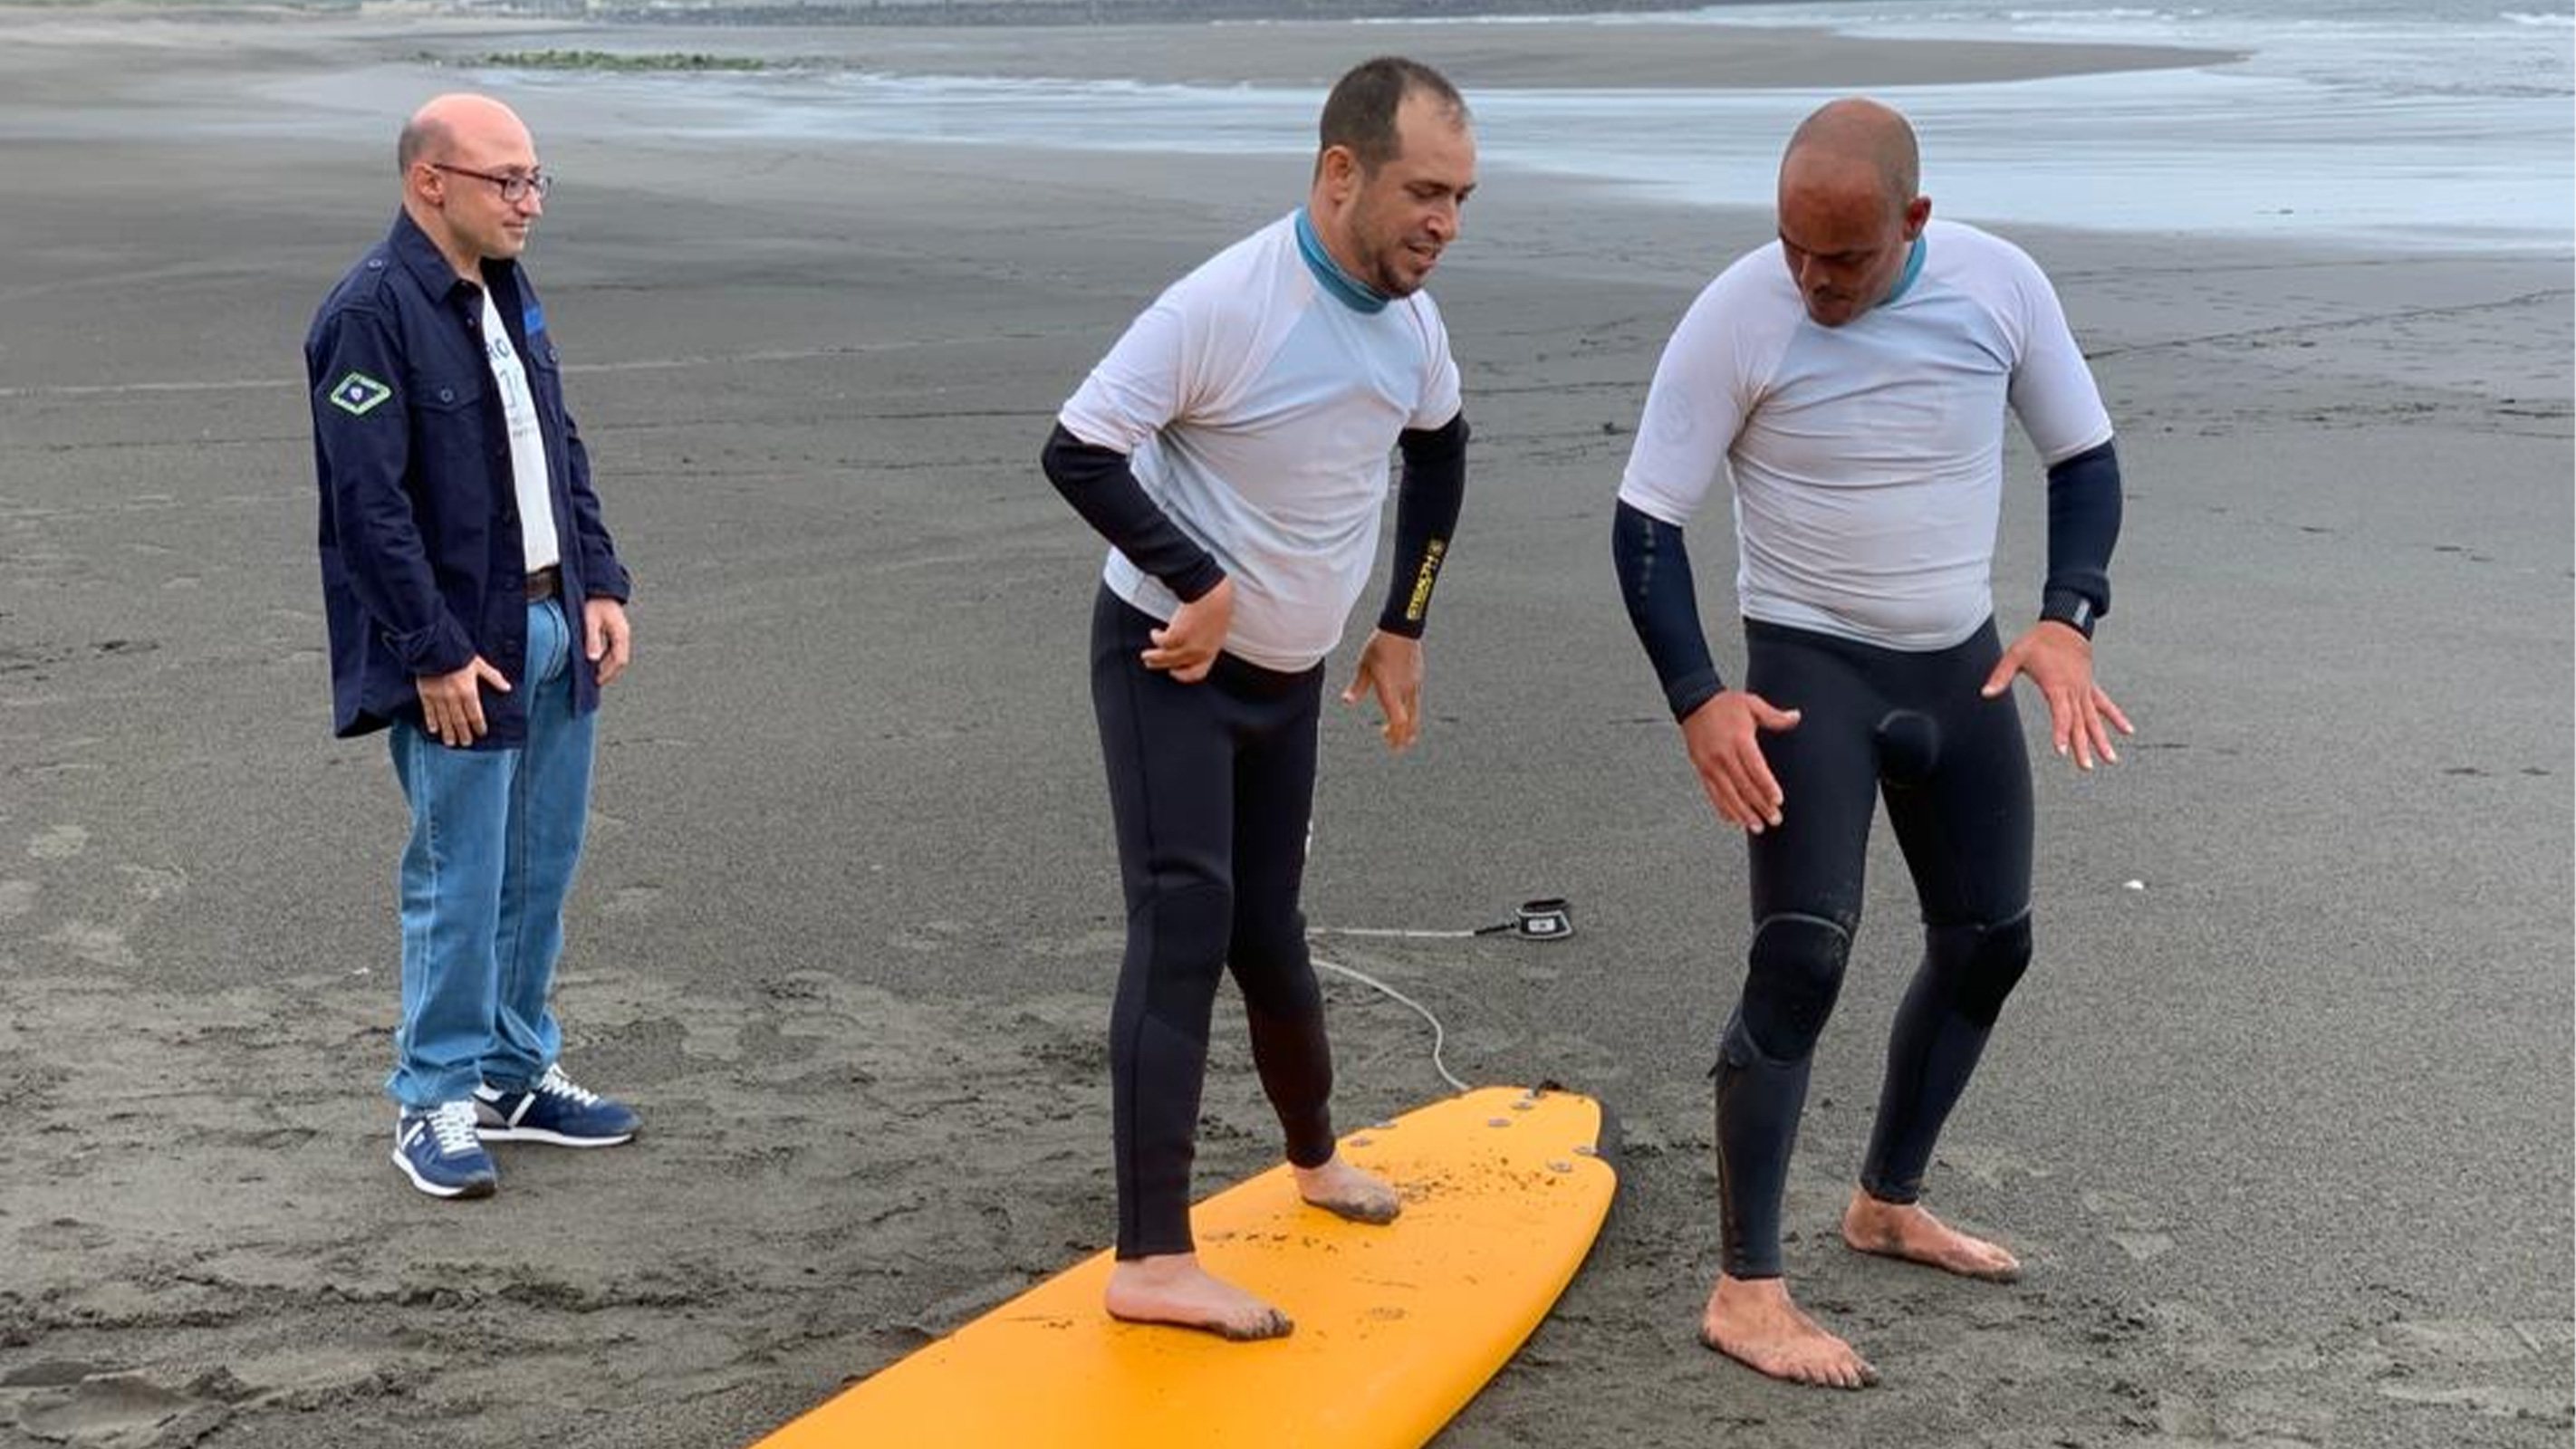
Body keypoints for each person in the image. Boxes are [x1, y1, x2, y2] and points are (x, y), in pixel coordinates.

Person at [1612, 97, 2133, 1387]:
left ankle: (1886, 1202)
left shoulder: (1999, 288)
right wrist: (1699, 696)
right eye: (1794, 247)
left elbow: (2084, 458)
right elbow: (1646, 521)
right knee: (1801, 959)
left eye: (1843, 257)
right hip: (1810, 675)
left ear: (1916, 220)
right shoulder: (1739, 313)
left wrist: (2067, 617)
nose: (1813, 280)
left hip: (1959, 665)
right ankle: (1746, 1290)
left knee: (1991, 943)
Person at [1039, 56, 1476, 1341]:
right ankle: (1151, 1259)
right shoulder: (1225, 305)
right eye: (1424, 192)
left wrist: (1403, 621)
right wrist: (1199, 579)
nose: (1445, 224)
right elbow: (1078, 449)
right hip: (1169, 659)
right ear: (1341, 171)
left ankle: (1315, 1157)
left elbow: (1441, 453)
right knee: (1186, 917)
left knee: (1269, 926)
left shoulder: (1412, 325)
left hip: (1289, 678)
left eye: (1460, 198)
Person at [305, 93, 642, 1201]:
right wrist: (431, 651)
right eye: (508, 180)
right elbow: (369, 508)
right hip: (461, 649)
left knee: (540, 868)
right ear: (429, 182)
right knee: (459, 878)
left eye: (537, 178)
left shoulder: (505, 290)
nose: (529, 201)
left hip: (551, 621)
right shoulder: (369, 313)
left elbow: (555, 444)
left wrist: (599, 581)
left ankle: (512, 1070)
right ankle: (433, 1098)